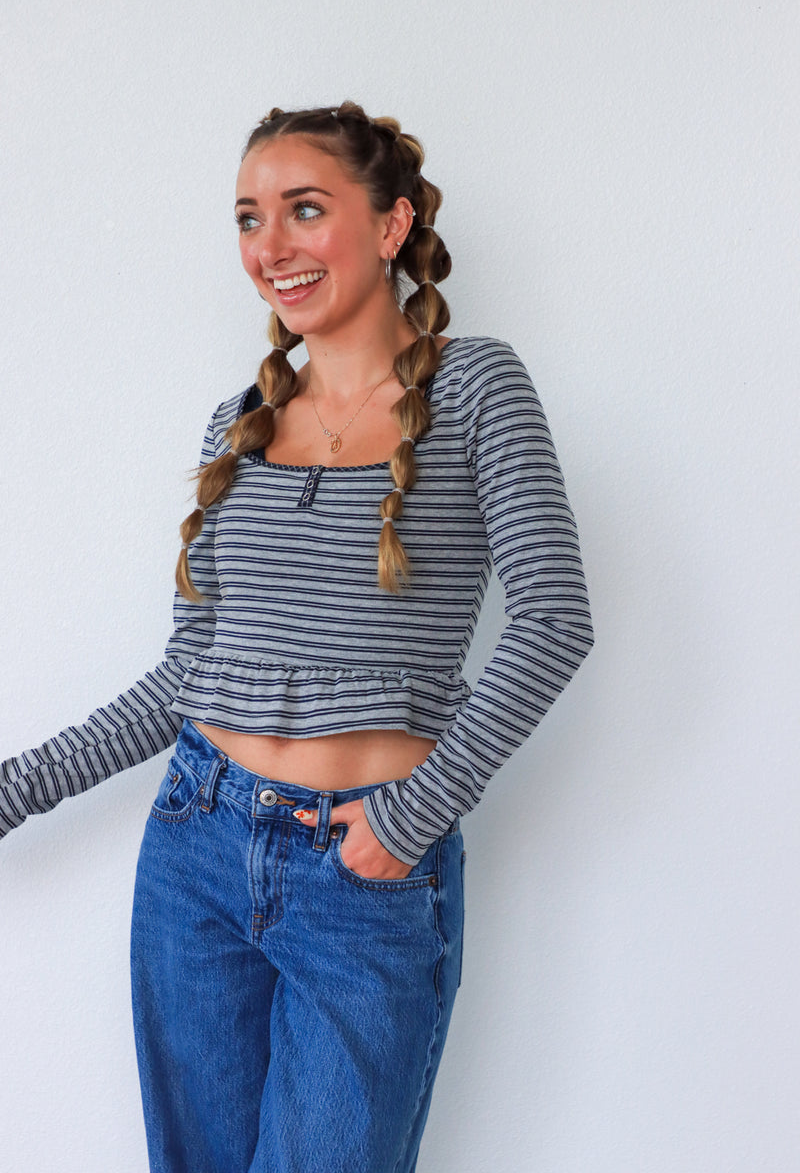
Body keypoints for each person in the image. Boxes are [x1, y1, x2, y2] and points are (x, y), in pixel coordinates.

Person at [0, 102, 593, 1173]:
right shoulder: (239, 426)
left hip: (364, 873)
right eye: (247, 219)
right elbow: (190, 676)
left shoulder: (476, 387)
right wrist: (15, 788)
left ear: (389, 224)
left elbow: (553, 619)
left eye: (303, 210)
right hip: (196, 843)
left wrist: (409, 818)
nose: (269, 246)